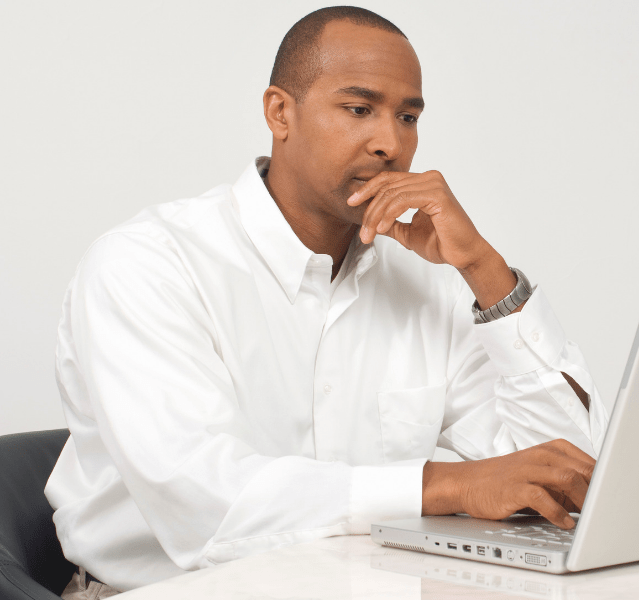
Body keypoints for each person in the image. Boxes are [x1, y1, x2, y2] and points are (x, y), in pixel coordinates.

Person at [44, 6, 608, 596]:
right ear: (279, 112)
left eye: (408, 116)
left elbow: (564, 473)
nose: (391, 143)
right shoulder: (149, 265)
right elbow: (206, 509)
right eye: (359, 109)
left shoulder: (430, 284)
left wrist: (486, 272)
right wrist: (447, 484)